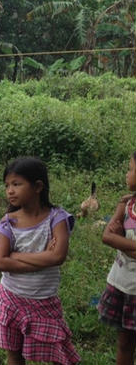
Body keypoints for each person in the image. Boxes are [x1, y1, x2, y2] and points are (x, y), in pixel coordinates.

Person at [0, 156, 80, 365]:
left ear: (38, 186)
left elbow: (58, 257)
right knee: (14, 355)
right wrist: (44, 258)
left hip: (44, 300)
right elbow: (0, 262)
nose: (10, 191)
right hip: (11, 298)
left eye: (16, 184)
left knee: (60, 354)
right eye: (7, 185)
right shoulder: (9, 221)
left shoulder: (56, 218)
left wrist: (15, 256)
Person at [98, 151, 136, 365]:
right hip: (123, 285)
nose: (126, 174)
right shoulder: (126, 205)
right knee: (124, 343)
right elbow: (107, 237)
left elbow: (114, 239)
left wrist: (120, 241)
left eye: (130, 169)